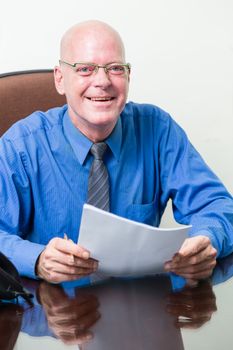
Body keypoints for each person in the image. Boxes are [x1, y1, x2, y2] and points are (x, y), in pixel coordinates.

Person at [0, 20, 233, 284]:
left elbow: (218, 206)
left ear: (128, 76)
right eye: (85, 69)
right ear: (60, 79)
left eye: (115, 68)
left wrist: (207, 238)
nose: (102, 81)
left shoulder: (158, 131)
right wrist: (38, 259)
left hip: (141, 309)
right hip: (51, 313)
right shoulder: (21, 145)